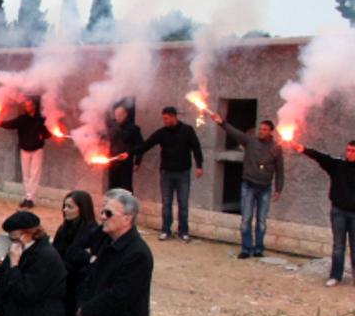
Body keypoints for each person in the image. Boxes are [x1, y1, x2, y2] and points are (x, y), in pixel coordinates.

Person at [208, 110, 284, 258]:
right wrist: (221, 122)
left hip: (265, 189)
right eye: (260, 129)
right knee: (246, 220)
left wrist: (279, 189)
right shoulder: (250, 141)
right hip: (248, 186)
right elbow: (234, 133)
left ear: (271, 132)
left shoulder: (276, 148)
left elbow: (280, 170)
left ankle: (258, 249)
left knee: (261, 221)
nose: (261, 132)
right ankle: (246, 249)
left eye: (264, 130)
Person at [288, 137, 355, 286]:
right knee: (338, 246)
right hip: (338, 211)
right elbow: (321, 157)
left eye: (353, 151)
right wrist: (303, 149)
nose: (349, 153)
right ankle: (335, 276)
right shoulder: (338, 165)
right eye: (348, 150)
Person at [134, 105, 204, 241]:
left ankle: (183, 232)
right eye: (163, 119)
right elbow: (147, 145)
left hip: (183, 173)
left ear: (173, 117)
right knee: (166, 203)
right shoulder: (162, 132)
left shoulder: (187, 130)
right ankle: (166, 230)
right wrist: (131, 153)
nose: (164, 121)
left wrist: (199, 165)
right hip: (166, 173)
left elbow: (196, 148)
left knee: (183, 204)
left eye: (166, 118)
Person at [0, 97, 53, 208]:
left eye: (29, 105)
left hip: (37, 150)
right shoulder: (22, 119)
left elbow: (48, 133)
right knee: (26, 175)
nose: (27, 107)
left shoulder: (41, 119)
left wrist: (43, 135)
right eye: (26, 105)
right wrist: (0, 122)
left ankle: (30, 199)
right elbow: (10, 124)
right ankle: (28, 197)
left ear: (34, 106)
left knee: (35, 175)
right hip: (24, 150)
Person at [106, 104, 143, 192]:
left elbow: (140, 146)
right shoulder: (111, 127)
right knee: (112, 188)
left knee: (126, 188)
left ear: (125, 114)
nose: (117, 117)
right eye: (116, 115)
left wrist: (137, 162)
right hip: (113, 162)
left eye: (120, 114)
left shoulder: (133, 129)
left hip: (126, 164)